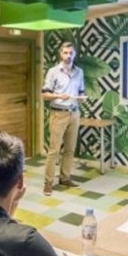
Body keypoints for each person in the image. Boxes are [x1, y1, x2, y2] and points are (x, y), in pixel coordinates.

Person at [41, 41, 87, 196]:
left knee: (70, 149)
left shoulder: (79, 72)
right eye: (65, 53)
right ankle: (48, 183)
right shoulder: (53, 71)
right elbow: (45, 95)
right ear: (61, 54)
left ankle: (65, 178)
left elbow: (81, 91)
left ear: (74, 54)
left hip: (74, 112)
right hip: (58, 113)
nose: (68, 56)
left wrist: (81, 98)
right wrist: (59, 95)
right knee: (53, 150)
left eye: (71, 53)